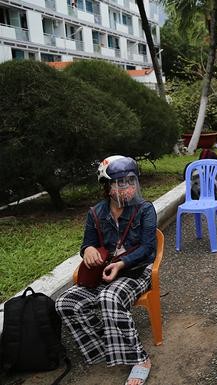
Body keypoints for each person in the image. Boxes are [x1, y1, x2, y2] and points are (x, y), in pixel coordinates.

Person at [56, 156, 157, 385]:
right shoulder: (96, 213)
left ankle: (140, 359)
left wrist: (121, 264)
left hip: (134, 272)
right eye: (120, 182)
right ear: (107, 186)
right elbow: (86, 245)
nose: (127, 187)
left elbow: (148, 248)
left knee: (108, 297)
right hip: (102, 273)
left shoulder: (145, 209)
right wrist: (89, 250)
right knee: (65, 303)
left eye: (131, 181)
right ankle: (105, 344)